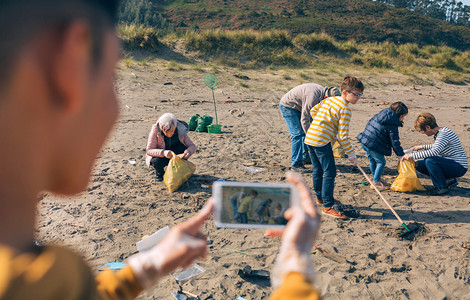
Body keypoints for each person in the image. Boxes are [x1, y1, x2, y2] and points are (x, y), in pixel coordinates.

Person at [0, 0, 213, 298]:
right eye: (111, 76)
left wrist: (148, 266)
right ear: (69, 65)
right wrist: (294, 269)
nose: (115, 110)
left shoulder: (29, 277)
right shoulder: (52, 275)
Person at [305, 76, 364, 219]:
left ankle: (321, 198)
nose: (358, 98)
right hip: (320, 141)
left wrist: (325, 124)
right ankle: (327, 206)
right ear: (344, 92)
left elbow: (313, 111)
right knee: (330, 172)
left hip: (310, 137)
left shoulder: (329, 100)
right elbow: (343, 137)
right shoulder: (345, 110)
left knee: (318, 169)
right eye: (355, 94)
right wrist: (351, 155)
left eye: (360, 95)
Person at [279, 83, 341, 173]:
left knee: (306, 132)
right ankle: (296, 165)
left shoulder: (322, 95)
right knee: (298, 134)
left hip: (299, 107)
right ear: (327, 96)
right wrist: (311, 137)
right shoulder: (313, 96)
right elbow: (305, 119)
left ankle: (305, 158)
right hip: (288, 106)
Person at [402, 113, 468, 195]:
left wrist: (411, 156)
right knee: (418, 164)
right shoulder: (441, 133)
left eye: (421, 130)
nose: (422, 133)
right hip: (452, 164)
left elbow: (434, 151)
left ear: (428, 127)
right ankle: (448, 180)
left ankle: (441, 187)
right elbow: (439, 146)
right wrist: (422, 147)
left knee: (430, 161)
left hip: (459, 167)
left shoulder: (443, 134)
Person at [357, 102, 408, 190]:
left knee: (372, 161)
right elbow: (394, 142)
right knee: (381, 162)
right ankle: (375, 182)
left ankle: (376, 178)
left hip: (365, 140)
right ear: (399, 114)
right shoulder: (392, 123)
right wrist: (401, 154)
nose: (403, 118)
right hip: (372, 144)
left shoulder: (381, 114)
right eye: (403, 116)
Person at [146, 113, 196, 181]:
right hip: (162, 156)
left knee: (182, 148)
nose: (169, 134)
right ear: (162, 127)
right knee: (156, 161)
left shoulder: (180, 130)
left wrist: (188, 152)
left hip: (177, 155)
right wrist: (164, 153)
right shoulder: (155, 130)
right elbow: (149, 150)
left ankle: (178, 171)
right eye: (166, 131)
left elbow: (192, 145)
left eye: (172, 131)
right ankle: (160, 174)